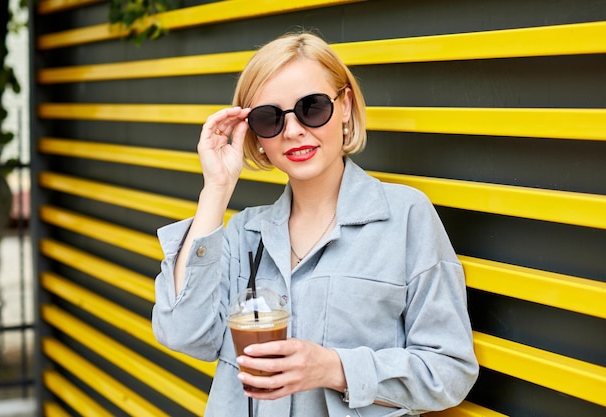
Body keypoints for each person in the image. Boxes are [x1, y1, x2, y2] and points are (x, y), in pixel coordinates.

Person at [152, 31, 479, 417]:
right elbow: (183, 334)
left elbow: (450, 371)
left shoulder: (406, 216)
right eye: (269, 118)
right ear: (254, 134)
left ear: (345, 106)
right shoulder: (244, 235)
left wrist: (333, 368)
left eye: (312, 108)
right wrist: (216, 189)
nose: (292, 131)